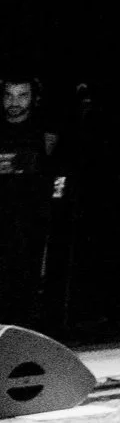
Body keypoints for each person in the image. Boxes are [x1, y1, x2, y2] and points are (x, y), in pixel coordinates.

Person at [0, 76, 61, 327]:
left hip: (28, 222)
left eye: (21, 95)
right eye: (9, 95)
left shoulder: (44, 134)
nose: (14, 102)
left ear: (33, 98)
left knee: (22, 287)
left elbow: (55, 173)